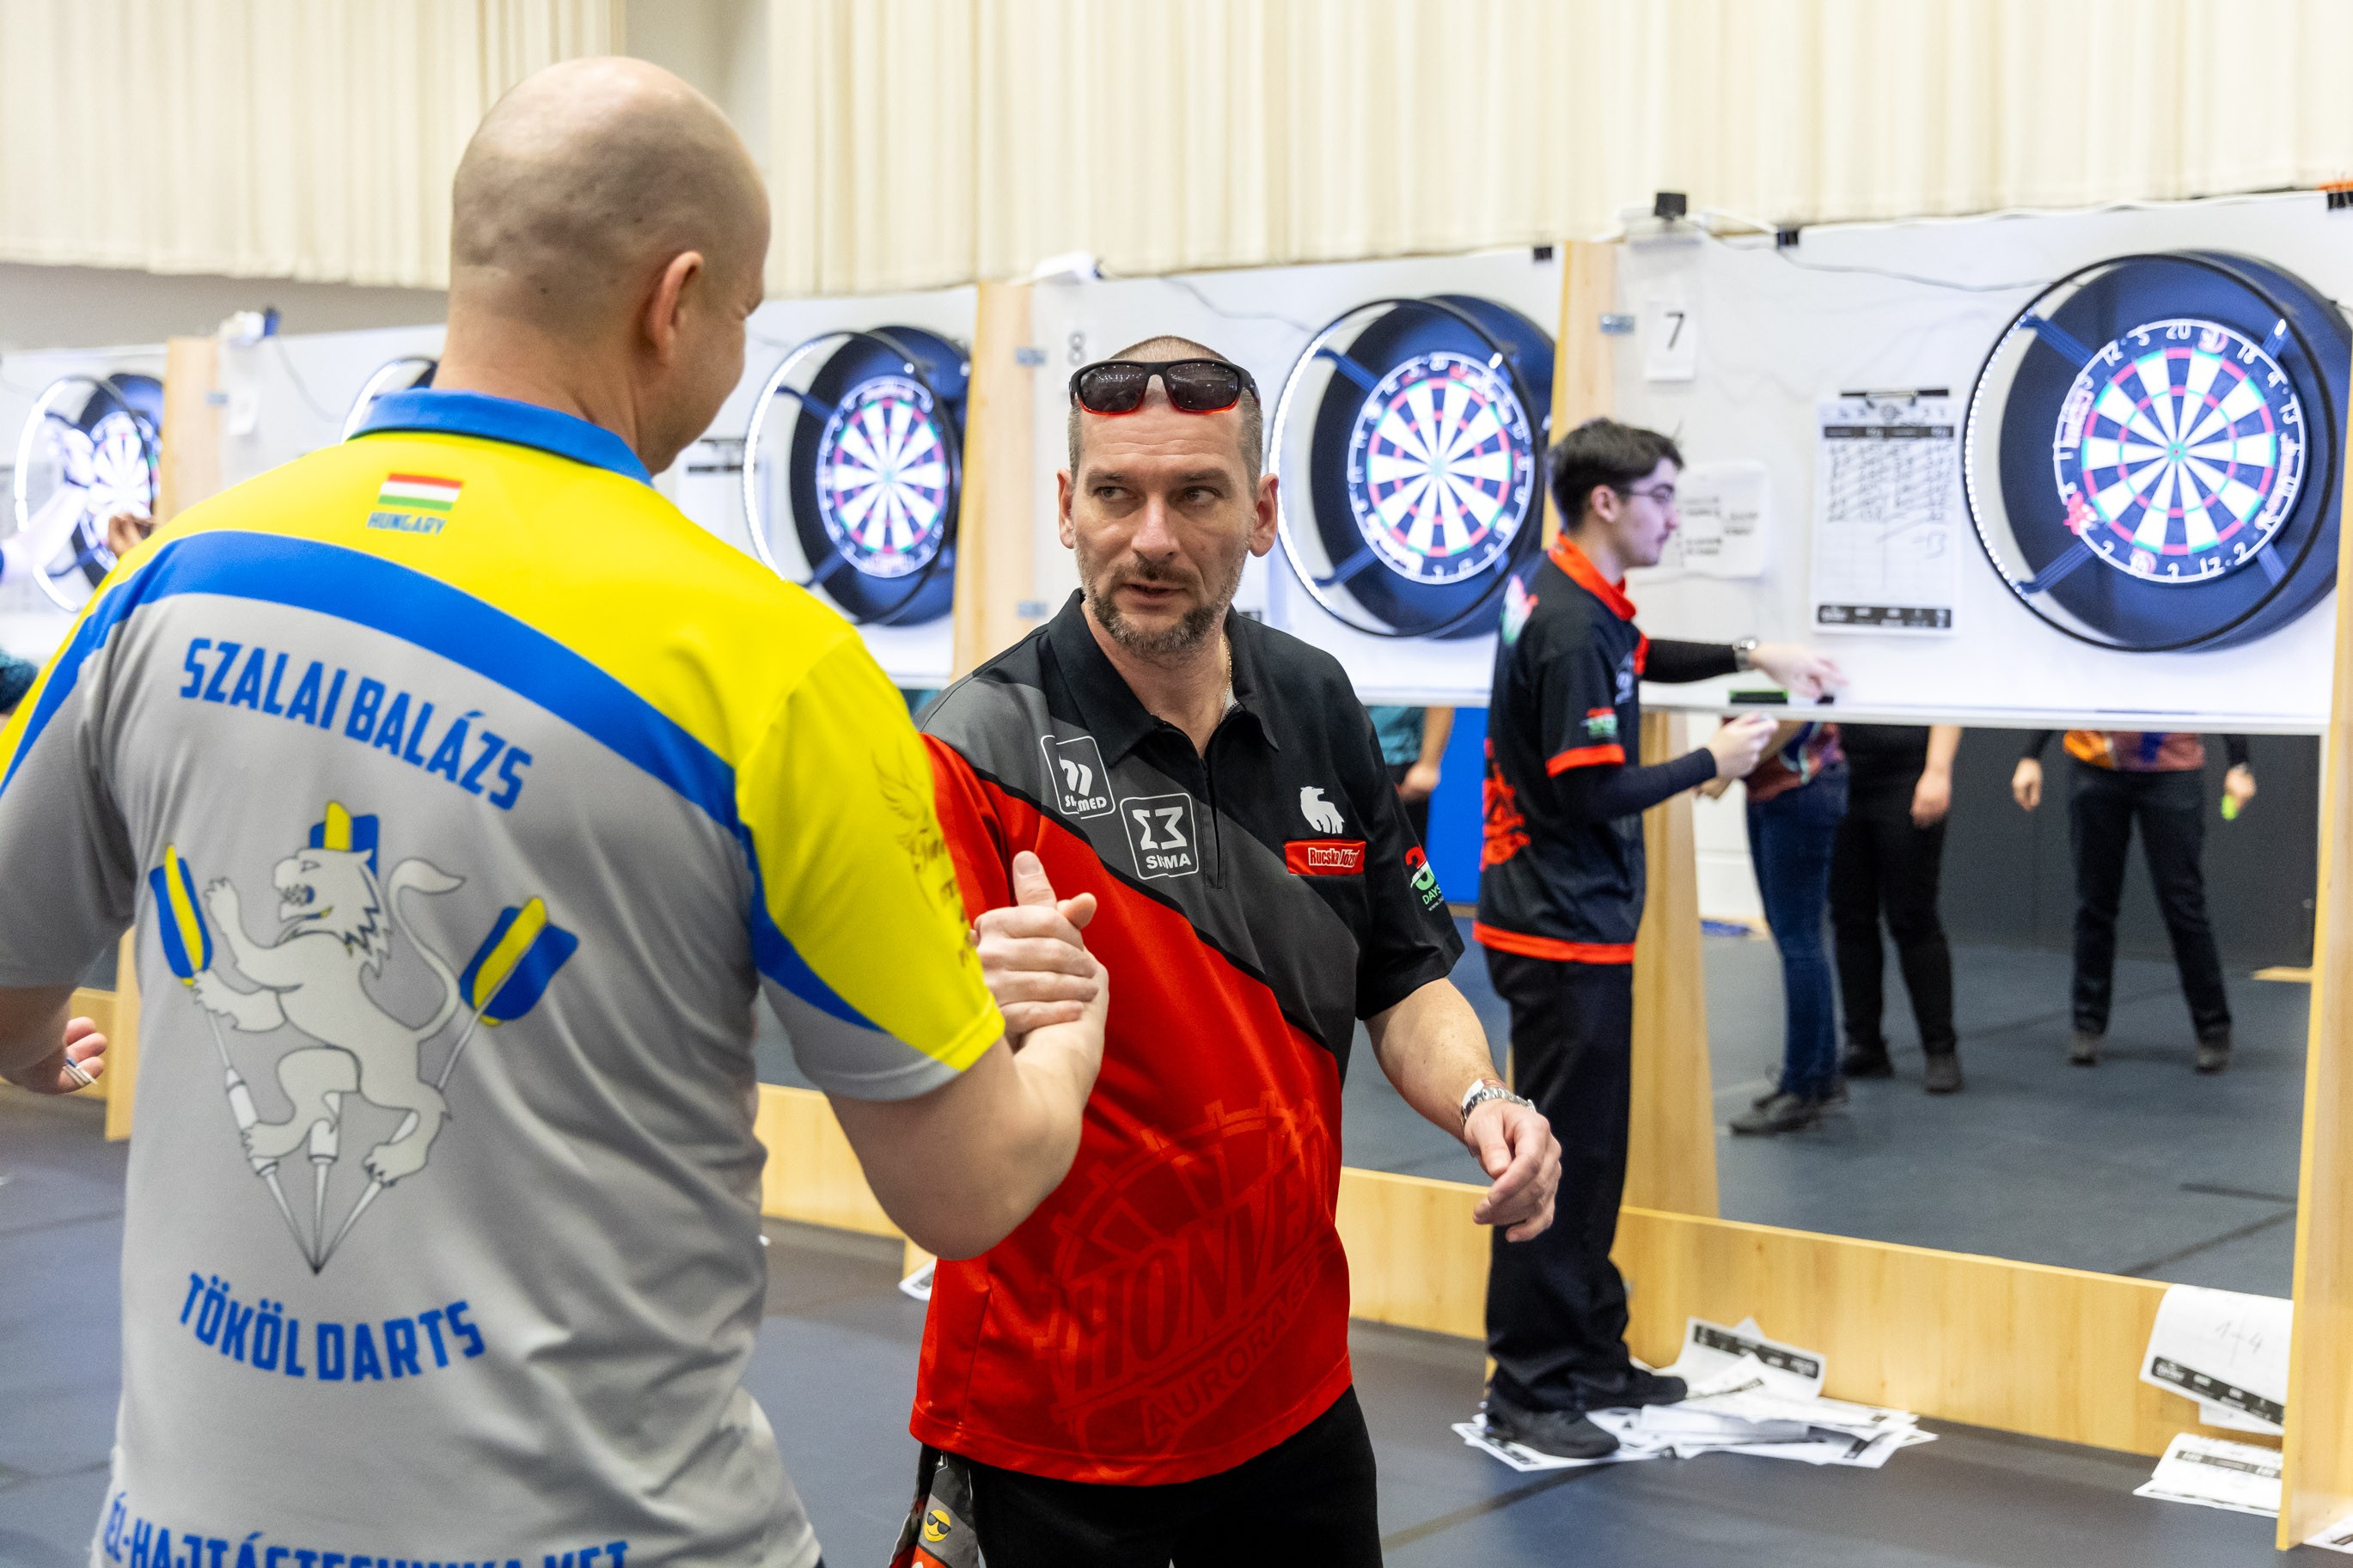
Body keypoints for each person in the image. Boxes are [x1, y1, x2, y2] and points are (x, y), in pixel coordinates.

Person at [0, 58, 1110, 1568]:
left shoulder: (170, 583)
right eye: (741, 314)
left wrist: (43, 1040)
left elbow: (12, 993)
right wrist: (1064, 1038)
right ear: (676, 299)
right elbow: (965, 1186)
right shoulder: (770, 666)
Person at [899, 337, 1562, 1566]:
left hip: (1290, 1395)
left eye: (1195, 494)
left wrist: (1485, 1100)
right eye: (1115, 494)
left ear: (1259, 514)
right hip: (1053, 1420)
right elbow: (920, 1109)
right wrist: (963, 1015)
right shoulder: (974, 749)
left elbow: (1401, 976)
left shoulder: (1316, 701)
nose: (1150, 538)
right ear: (1066, 508)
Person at [1476, 416, 1841, 1459]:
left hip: (1569, 918)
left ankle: (1588, 1353)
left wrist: (1751, 652)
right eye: (1662, 498)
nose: (1674, 519)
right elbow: (1585, 789)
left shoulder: (1572, 595)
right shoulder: (1566, 624)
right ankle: (1527, 1385)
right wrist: (1710, 762)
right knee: (1552, 1165)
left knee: (1591, 1158)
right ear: (1607, 502)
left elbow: (1640, 655)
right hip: (1557, 926)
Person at [2014, 729, 2254, 1073]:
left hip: (2173, 770)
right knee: (2094, 902)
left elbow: (2221, 695)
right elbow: (2062, 691)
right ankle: (2087, 1024)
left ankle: (2213, 1028)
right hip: (2095, 766)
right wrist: (2030, 755)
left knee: (2184, 906)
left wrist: (2239, 764)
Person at [1831, 723, 1962, 1094]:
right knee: (1850, 916)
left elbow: (1947, 703)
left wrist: (1937, 771)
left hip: (1907, 774)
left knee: (1913, 918)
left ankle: (1940, 1049)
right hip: (1841, 772)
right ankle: (1864, 1044)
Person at [1368, 703, 1454, 844]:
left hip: (1395, 760)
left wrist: (1428, 765)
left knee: (1397, 853)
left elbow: (1441, 697)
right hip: (1345, 759)